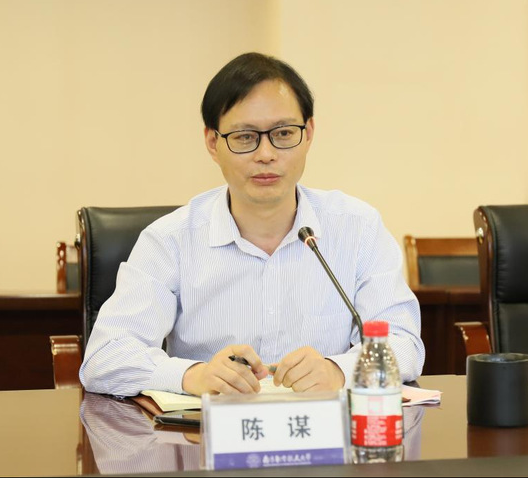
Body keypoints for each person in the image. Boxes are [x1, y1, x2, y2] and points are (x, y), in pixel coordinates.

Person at [80, 52, 425, 397]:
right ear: (213, 143)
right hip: (207, 429)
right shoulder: (170, 240)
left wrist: (337, 371)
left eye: (284, 133)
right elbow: (105, 357)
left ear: (308, 134)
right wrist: (194, 376)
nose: (266, 154)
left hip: (323, 428)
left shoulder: (358, 228)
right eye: (245, 137)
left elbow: (404, 342)